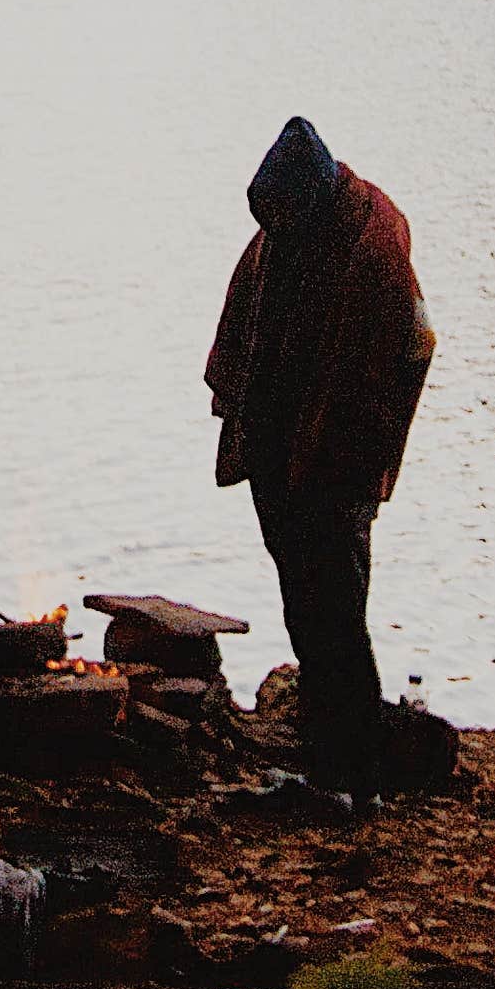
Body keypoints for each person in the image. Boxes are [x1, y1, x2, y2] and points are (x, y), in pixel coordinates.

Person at [205, 116, 435, 790]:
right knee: (303, 602)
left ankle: (352, 772)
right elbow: (246, 319)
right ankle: (327, 750)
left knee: (338, 609)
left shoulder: (374, 247)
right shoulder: (282, 231)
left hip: (341, 462)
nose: (271, 229)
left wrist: (353, 465)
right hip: (282, 446)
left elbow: (404, 358)